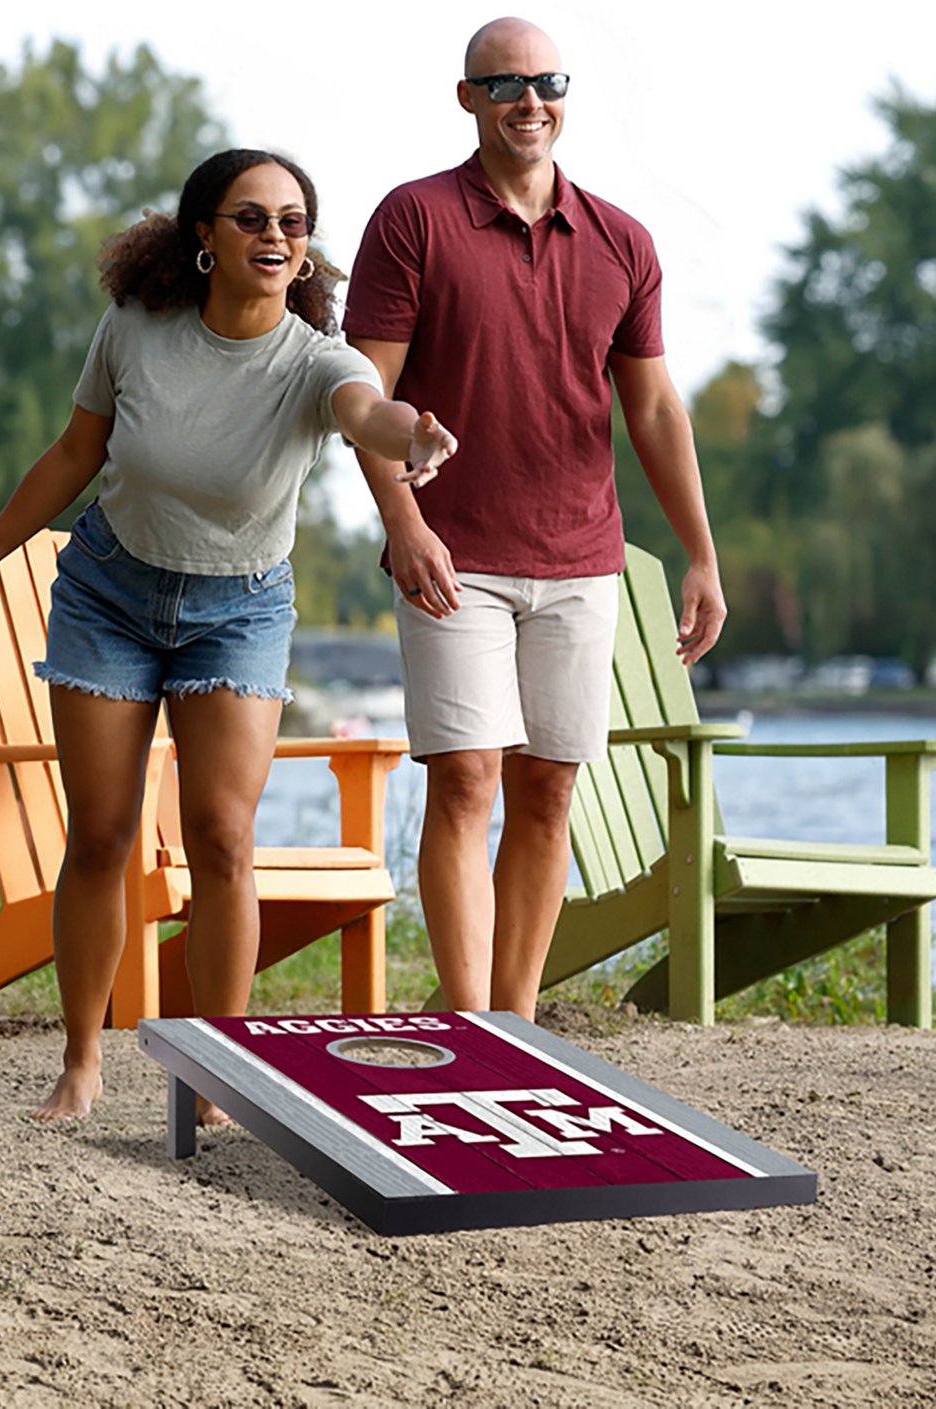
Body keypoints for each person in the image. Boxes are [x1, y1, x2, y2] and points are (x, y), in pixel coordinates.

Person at [0, 148, 458, 1122]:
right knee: (100, 833)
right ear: (205, 237)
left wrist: (411, 438)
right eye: (251, 217)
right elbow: (75, 453)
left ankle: (220, 1072)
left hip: (240, 610)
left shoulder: (316, 360)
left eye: (292, 223)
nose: (274, 235)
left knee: (222, 836)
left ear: (305, 252)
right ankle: (83, 1061)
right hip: (109, 596)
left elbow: (366, 414)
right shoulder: (137, 329)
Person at [343, 18, 726, 1021]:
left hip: (581, 558)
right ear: (466, 98)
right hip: (452, 556)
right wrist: (404, 521)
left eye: (547, 81)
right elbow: (359, 397)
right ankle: (468, 1020)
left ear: (566, 94)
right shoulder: (411, 221)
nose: (530, 100)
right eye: (505, 84)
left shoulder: (622, 241)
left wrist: (700, 553)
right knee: (467, 779)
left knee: (549, 790)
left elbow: (652, 408)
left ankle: (512, 1020)